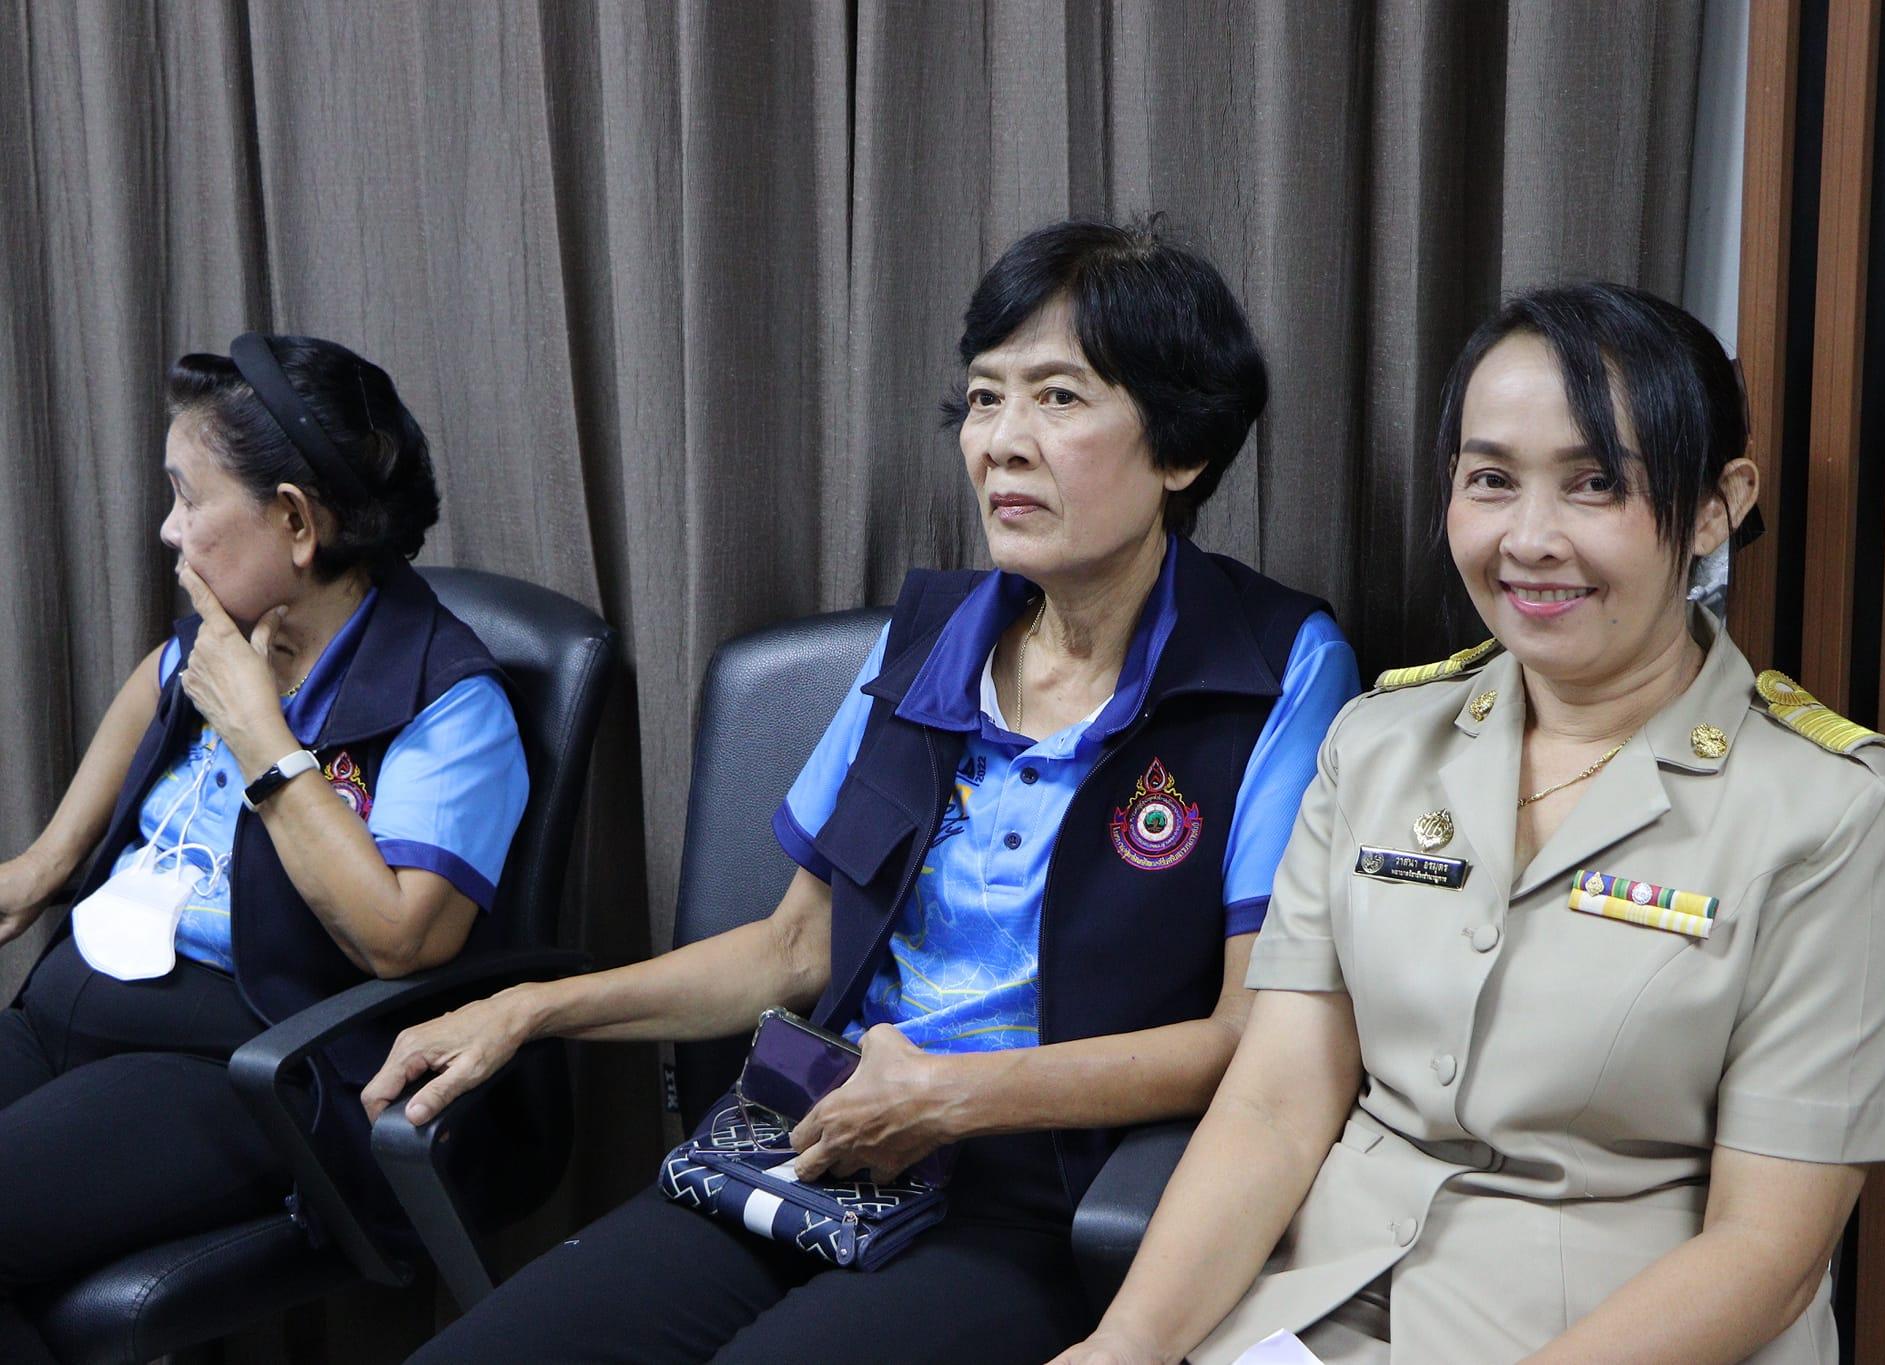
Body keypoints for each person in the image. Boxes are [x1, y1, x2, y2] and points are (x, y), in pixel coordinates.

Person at [371, 217, 1360, 1365]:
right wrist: (532, 1008)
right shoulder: (926, 643)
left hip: (1040, 1194)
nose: (1002, 444)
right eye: (983, 399)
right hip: (820, 1138)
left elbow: (1246, 1035)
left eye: (1057, 398)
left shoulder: (1274, 665)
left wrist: (955, 1095)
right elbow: (795, 947)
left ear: (1180, 449)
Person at [1053, 283, 1885, 1365]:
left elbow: (1768, 1248)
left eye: (1596, 483)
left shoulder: (1826, 811)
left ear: (1715, 506)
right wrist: (1127, 1343)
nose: (1530, 539)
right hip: (1313, 1314)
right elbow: (1275, 1104)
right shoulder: (1378, 745)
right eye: (1491, 480)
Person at [0, 335, 528, 1364]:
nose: (168, 528)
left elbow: (401, 939)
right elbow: (51, 858)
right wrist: (33, 873)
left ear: (293, 520)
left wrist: (261, 735)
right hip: (61, 1015)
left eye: (187, 496)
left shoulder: (451, 705)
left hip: (233, 1063)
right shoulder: (196, 653)